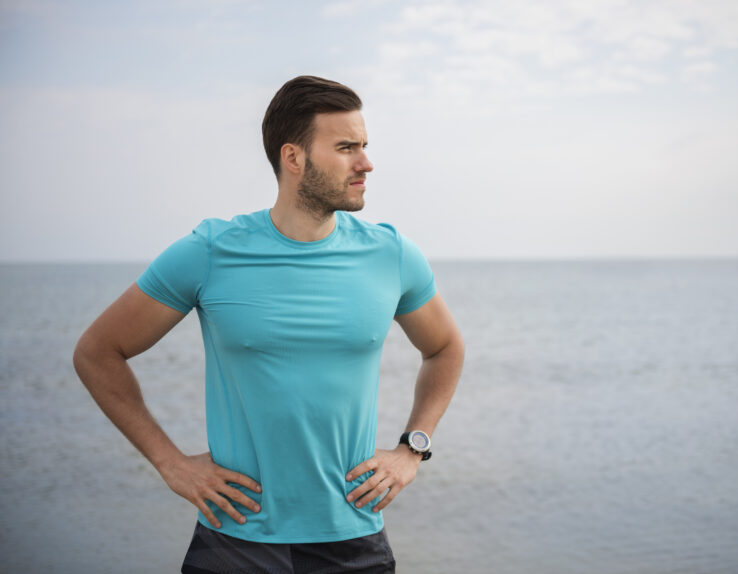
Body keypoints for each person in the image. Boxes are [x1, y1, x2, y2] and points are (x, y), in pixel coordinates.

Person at [73, 75, 465, 574]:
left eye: (364, 146)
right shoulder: (211, 251)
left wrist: (413, 448)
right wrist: (170, 463)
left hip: (354, 540)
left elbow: (446, 347)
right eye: (346, 148)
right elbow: (98, 351)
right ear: (293, 157)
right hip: (234, 541)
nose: (366, 162)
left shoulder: (391, 255)